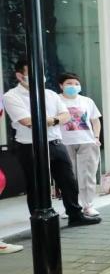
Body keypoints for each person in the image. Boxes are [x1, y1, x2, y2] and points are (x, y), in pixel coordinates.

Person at [3, 59, 99, 226]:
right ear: (19, 76)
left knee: (68, 181)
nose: (38, 76)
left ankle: (75, 215)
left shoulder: (50, 94)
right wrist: (54, 119)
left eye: (40, 72)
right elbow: (28, 121)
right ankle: (40, 221)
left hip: (56, 143)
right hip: (30, 146)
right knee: (36, 185)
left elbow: (66, 116)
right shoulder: (11, 96)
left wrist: (51, 120)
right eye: (31, 73)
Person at [57, 72, 103, 217]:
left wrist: (96, 137)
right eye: (69, 83)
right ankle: (71, 207)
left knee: (88, 175)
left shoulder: (87, 101)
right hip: (64, 143)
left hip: (87, 141)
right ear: (61, 86)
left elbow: (95, 120)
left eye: (76, 84)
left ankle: (88, 206)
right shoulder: (56, 100)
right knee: (68, 177)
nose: (73, 86)